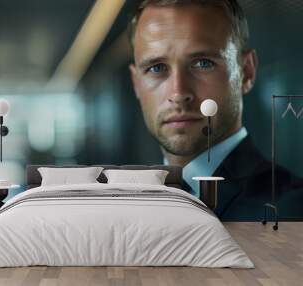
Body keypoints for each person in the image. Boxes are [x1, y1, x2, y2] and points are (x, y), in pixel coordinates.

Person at [128, 0, 303, 220]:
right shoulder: (125, 209)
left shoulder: (293, 211)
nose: (178, 93)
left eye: (203, 63)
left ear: (246, 72)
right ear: (136, 83)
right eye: (156, 68)